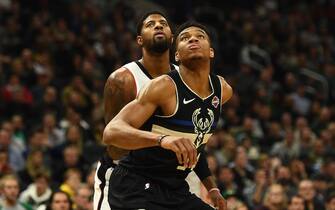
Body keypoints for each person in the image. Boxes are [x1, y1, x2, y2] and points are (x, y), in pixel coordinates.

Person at [103, 21, 232, 210]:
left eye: (200, 36)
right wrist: (162, 140)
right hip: (136, 185)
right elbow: (111, 132)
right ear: (177, 55)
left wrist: (212, 188)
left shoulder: (222, 90)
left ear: (211, 52)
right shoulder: (164, 86)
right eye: (185, 38)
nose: (193, 39)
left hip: (174, 189)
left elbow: (196, 144)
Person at [93, 11, 178, 210]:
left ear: (172, 38)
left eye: (163, 23)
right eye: (150, 24)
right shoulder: (123, 80)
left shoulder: (184, 79)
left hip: (168, 177)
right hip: (123, 176)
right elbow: (114, 144)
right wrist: (161, 141)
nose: (158, 26)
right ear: (139, 40)